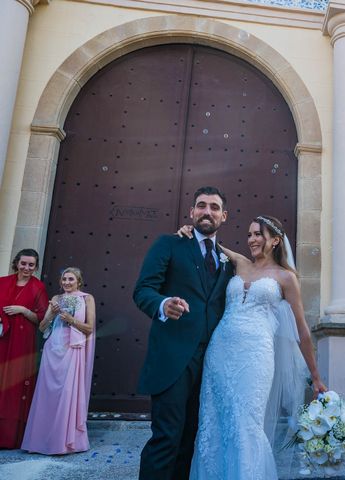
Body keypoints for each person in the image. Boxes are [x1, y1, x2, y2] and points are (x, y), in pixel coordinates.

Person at [178, 215, 327, 479]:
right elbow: (209, 243)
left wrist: (315, 376)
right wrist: (190, 231)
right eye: (249, 235)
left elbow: (302, 329)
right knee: (214, 422)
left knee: (247, 421)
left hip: (256, 355)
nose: (252, 240)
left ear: (275, 241)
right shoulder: (239, 263)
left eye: (258, 234)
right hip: (220, 351)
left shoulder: (286, 278)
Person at [133, 186, 235, 480]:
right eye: (201, 206)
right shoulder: (170, 244)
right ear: (191, 212)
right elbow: (143, 290)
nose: (207, 211)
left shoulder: (227, 260)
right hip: (173, 359)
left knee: (191, 439)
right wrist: (164, 304)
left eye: (214, 207)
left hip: (211, 364)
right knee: (166, 438)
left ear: (224, 216)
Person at [21, 267, 96, 454]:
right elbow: (42, 327)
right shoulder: (55, 299)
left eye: (71, 279)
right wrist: (52, 314)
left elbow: (89, 328)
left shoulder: (87, 298)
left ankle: (64, 442)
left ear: (79, 281)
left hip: (72, 350)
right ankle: (40, 441)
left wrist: (71, 319)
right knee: (48, 395)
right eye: (64, 279)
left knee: (67, 392)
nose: (67, 282)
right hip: (53, 349)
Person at [0, 248, 48, 449]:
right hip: (2, 338)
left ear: (35, 267)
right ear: (16, 263)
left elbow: (42, 319)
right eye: (23, 263)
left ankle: (10, 438)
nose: (26, 268)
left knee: (15, 385)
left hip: (23, 341)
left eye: (31, 265)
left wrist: (23, 310)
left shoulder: (38, 287)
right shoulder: (2, 282)